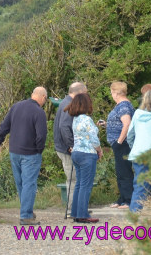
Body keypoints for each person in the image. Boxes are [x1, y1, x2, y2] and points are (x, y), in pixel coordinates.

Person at [0, 86, 48, 225]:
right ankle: (26, 216)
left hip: (14, 152)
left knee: (21, 183)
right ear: (43, 98)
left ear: (32, 94)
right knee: (29, 184)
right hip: (30, 154)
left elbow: (4, 126)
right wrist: (39, 150)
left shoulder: (16, 107)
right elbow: (41, 136)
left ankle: (26, 210)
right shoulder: (39, 112)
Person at [67, 92, 102, 223]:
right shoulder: (87, 119)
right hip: (87, 154)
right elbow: (94, 139)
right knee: (86, 185)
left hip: (76, 153)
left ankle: (76, 212)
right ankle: (83, 214)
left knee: (79, 184)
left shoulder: (75, 119)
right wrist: (99, 150)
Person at [53, 81, 87, 215]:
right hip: (66, 149)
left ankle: (75, 208)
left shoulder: (65, 102)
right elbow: (64, 127)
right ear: (79, 93)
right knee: (73, 180)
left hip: (63, 147)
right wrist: (71, 145)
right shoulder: (70, 104)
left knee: (74, 179)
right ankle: (72, 210)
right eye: (85, 94)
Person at [104, 81, 135, 209]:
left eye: (112, 92)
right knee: (120, 171)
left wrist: (119, 142)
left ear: (116, 93)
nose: (111, 95)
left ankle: (128, 200)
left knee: (124, 171)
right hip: (120, 143)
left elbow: (127, 124)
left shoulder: (123, 106)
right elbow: (120, 123)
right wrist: (107, 125)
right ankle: (122, 198)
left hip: (123, 144)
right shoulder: (122, 106)